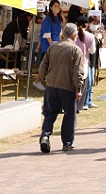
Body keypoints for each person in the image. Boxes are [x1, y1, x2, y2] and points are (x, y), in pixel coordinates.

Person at [37, 23, 84, 153]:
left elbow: (43, 67)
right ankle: (67, 142)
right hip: (67, 86)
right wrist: (78, 89)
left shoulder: (53, 47)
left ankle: (45, 135)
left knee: (50, 113)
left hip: (51, 85)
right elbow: (78, 72)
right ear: (75, 35)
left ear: (62, 35)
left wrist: (41, 78)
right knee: (69, 114)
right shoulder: (76, 50)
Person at [74, 16, 97, 111]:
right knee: (82, 85)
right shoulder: (91, 36)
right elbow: (92, 51)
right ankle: (79, 105)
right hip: (84, 64)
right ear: (86, 25)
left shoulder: (73, 35)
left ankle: (72, 104)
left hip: (72, 63)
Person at [39, 0, 63, 65]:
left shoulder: (59, 19)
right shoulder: (47, 19)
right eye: (55, 6)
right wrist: (52, 45)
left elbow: (60, 33)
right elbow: (47, 35)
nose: (57, 7)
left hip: (56, 45)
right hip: (48, 46)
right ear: (51, 7)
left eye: (58, 6)